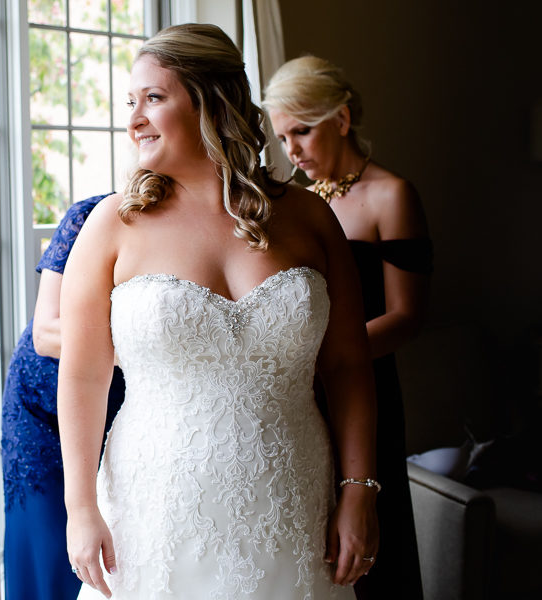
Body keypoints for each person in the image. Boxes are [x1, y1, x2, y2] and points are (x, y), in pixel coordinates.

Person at [57, 24, 380, 599]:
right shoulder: (111, 226)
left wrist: (358, 489)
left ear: (212, 99)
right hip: (153, 510)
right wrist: (80, 509)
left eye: (153, 98)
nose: (133, 119)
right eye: (129, 102)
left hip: (291, 502)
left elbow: (350, 367)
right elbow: (82, 376)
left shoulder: (309, 218)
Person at [263, 55, 432, 600]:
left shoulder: (392, 195)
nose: (292, 152)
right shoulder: (290, 200)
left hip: (366, 384)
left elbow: (408, 316)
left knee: (367, 535)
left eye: (303, 131)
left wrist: (330, 355)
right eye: (283, 136)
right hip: (297, 391)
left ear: (342, 118)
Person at [1, 193, 126, 600]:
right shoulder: (90, 215)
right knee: (50, 544)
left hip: (123, 409)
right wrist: (139, 349)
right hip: (42, 411)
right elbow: (45, 332)